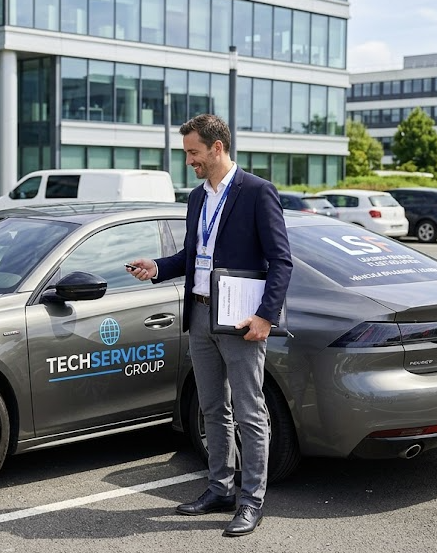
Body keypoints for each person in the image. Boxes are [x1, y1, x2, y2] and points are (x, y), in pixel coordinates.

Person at [128, 114, 292, 537]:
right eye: (187, 153)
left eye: (193, 153)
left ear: (217, 148)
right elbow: (190, 256)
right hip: (200, 314)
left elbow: (282, 261)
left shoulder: (257, 192)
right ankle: (219, 487)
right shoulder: (198, 198)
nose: (189, 161)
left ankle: (251, 500)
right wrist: (157, 267)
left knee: (249, 411)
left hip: (240, 320)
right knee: (211, 407)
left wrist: (265, 317)